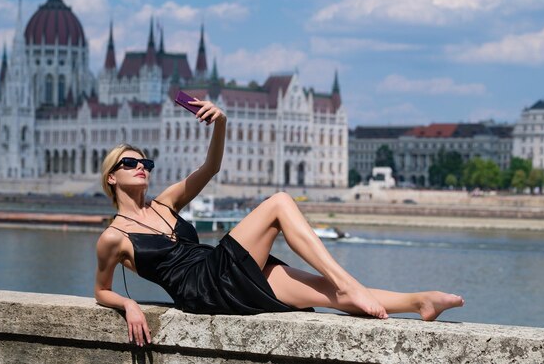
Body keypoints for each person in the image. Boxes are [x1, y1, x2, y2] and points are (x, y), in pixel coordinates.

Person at [94, 98, 464, 347]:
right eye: (130, 164)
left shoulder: (166, 202)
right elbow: (101, 290)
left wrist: (221, 121)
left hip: (222, 274)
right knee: (280, 202)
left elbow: (211, 167)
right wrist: (128, 305)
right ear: (112, 177)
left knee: (325, 292)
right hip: (202, 288)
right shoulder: (114, 236)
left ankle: (419, 302)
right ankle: (349, 281)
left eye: (145, 163)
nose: (141, 167)